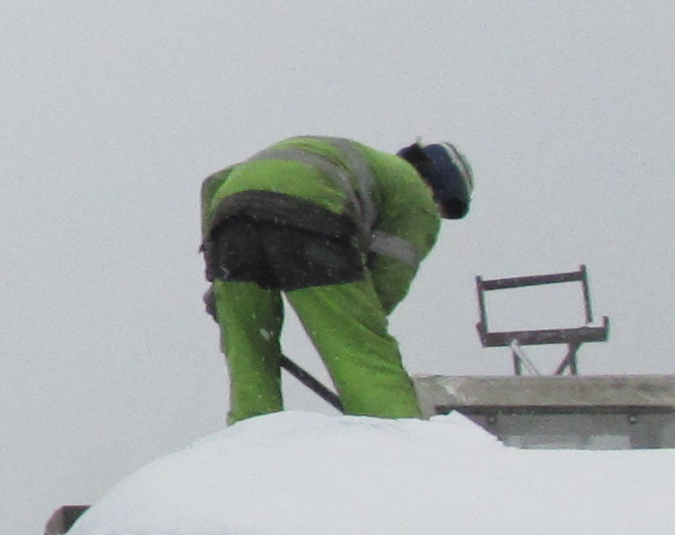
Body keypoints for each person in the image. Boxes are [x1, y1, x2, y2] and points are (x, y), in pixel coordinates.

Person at [199, 135, 473, 423]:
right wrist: (355, 320)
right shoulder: (416, 194)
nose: (436, 215)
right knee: (363, 353)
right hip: (309, 211)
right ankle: (392, 434)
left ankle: (252, 430)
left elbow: (214, 183)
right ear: (436, 188)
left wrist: (217, 280)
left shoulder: (354, 160)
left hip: (231, 216)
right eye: (441, 209)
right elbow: (388, 281)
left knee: (248, 343)